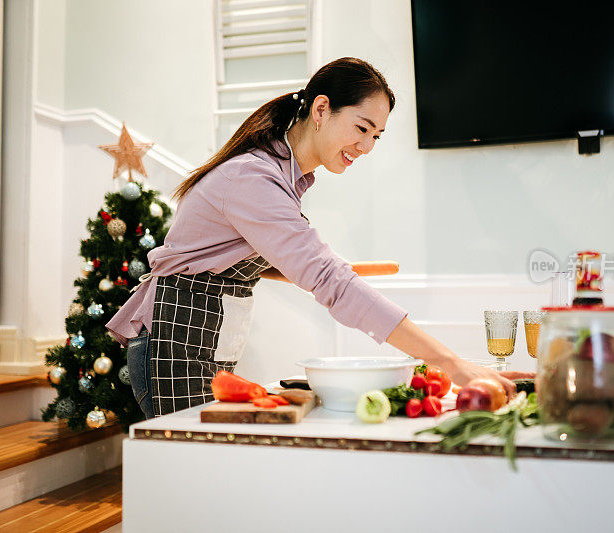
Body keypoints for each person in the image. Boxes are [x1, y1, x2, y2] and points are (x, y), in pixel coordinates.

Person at [106, 57, 519, 419]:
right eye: (362, 127)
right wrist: (451, 363)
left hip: (204, 343)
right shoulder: (253, 178)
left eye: (376, 135)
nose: (368, 145)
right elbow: (330, 282)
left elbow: (238, 259)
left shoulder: (284, 177)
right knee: (194, 484)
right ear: (321, 109)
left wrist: (323, 271)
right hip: (172, 348)